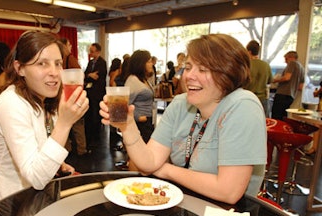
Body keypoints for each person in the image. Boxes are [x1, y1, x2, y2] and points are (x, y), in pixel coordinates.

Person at [100, 34, 267, 204]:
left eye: (202, 69)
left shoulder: (243, 105)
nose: (188, 76)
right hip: (185, 206)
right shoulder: (180, 104)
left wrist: (165, 170)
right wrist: (127, 125)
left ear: (228, 74)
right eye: (188, 67)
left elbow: (228, 191)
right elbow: (148, 162)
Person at [0, 31, 89, 203]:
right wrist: (64, 123)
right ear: (20, 68)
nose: (54, 72)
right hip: (10, 201)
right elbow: (36, 177)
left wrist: (58, 165)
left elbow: (40, 146)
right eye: (42, 64)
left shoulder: (44, 98)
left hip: (37, 195)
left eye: (58, 64)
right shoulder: (11, 103)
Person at [59, 37, 88, 156]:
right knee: (78, 124)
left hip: (60, 97)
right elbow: (80, 75)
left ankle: (66, 149)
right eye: (69, 44)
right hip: (73, 96)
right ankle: (82, 149)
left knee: (61, 122)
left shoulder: (61, 60)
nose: (70, 47)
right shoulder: (70, 59)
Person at [84, 43, 107, 147]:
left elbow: (98, 77)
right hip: (89, 92)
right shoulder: (90, 62)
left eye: (92, 51)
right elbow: (86, 75)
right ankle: (90, 134)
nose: (90, 53)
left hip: (98, 92)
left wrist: (91, 76)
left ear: (98, 51)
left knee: (96, 114)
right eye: (90, 51)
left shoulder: (102, 63)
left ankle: (97, 136)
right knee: (89, 114)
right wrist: (89, 75)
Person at [271, 51, 305, 120]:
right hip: (291, 96)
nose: (285, 62)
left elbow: (287, 77)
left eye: (286, 59)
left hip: (283, 94)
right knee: (284, 116)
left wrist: (275, 80)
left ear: (291, 57)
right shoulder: (302, 68)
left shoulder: (292, 63)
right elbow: (300, 87)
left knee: (276, 116)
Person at [245, 40, 273, 117]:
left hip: (248, 99)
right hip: (263, 99)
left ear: (249, 52)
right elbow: (270, 81)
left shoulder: (246, 65)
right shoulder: (266, 65)